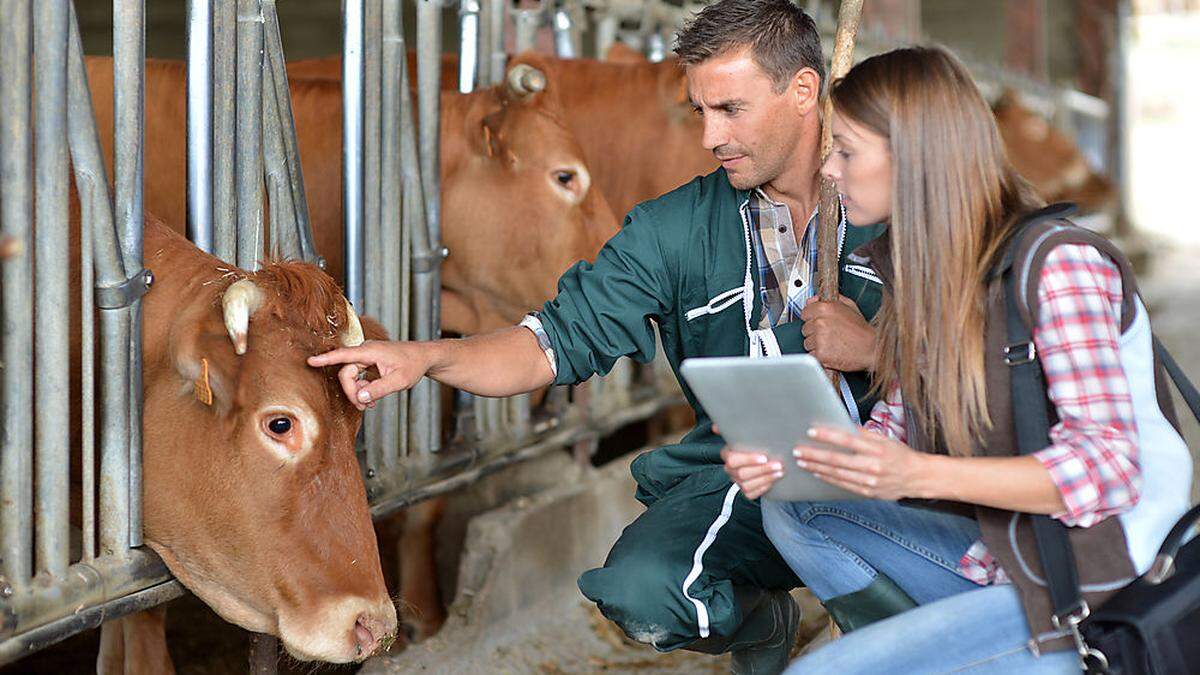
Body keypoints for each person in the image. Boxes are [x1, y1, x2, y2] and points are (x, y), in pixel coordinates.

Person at [308, 1, 898, 670]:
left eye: (730, 109)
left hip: (906, 468)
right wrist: (423, 357)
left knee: (921, 607)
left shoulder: (896, 198)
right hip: (754, 475)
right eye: (698, 111)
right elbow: (547, 343)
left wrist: (877, 350)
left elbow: (999, 363)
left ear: (803, 91)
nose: (709, 136)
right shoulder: (675, 228)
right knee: (641, 592)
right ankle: (761, 622)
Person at [723, 46, 1194, 673]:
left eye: (847, 151)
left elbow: (1106, 469)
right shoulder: (931, 277)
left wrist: (916, 475)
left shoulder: (1058, 267)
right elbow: (891, 430)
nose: (829, 171)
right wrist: (792, 459)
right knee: (797, 505)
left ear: (914, 158)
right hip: (1006, 557)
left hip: (1098, 588)